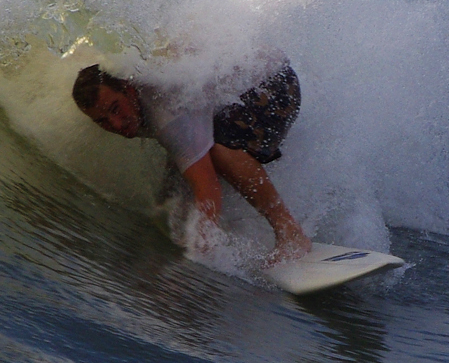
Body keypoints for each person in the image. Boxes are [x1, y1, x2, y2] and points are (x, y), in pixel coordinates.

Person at [71, 61, 312, 265]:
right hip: (239, 91)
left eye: (116, 109)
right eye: (102, 120)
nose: (115, 124)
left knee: (218, 150)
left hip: (276, 86)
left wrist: (197, 255)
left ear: (129, 89)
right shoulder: (147, 102)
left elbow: (208, 189)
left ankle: (289, 231)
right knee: (174, 191)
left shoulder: (166, 114)